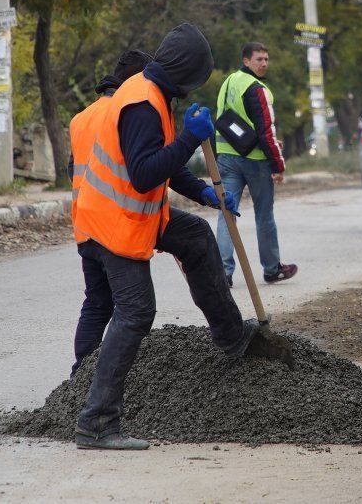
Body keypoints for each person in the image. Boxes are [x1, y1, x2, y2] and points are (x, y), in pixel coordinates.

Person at [72, 23, 261, 450]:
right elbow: (143, 175)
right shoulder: (140, 103)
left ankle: (231, 336)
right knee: (136, 311)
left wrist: (206, 193)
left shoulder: (154, 94)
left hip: (137, 214)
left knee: (194, 235)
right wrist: (190, 141)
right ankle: (96, 422)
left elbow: (169, 168)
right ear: (185, 73)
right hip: (113, 220)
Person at [68, 48, 153, 376]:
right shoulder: (126, 112)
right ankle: (110, 379)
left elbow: (72, 170)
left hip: (84, 224)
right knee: (128, 309)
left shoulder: (80, 118)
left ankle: (81, 375)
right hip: (114, 226)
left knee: (96, 303)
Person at [214, 42, 297, 288]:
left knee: (226, 215)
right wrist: (277, 165)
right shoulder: (257, 88)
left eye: (266, 59)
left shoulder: (228, 82)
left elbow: (230, 119)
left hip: (227, 156)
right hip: (256, 161)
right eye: (259, 59)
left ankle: (223, 272)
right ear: (246, 60)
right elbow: (265, 131)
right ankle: (272, 269)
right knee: (264, 214)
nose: (264, 63)